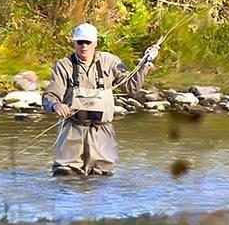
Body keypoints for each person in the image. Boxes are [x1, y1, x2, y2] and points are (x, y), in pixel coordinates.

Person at [42, 22, 158, 176]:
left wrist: (145, 63)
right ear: (74, 43)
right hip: (72, 130)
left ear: (95, 43)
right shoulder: (64, 65)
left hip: (102, 131)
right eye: (80, 42)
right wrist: (56, 105)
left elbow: (132, 87)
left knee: (101, 177)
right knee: (66, 175)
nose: (84, 46)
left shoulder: (110, 61)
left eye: (88, 42)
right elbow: (49, 96)